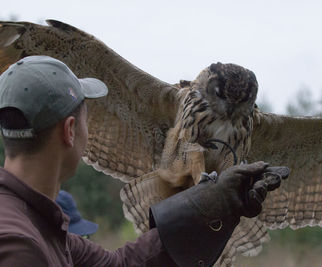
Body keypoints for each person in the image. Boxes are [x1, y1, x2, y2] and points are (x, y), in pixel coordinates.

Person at [0, 55, 288, 266]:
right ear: (71, 130)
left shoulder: (40, 226)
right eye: (91, 118)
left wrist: (207, 210)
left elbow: (121, 266)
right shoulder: (20, 247)